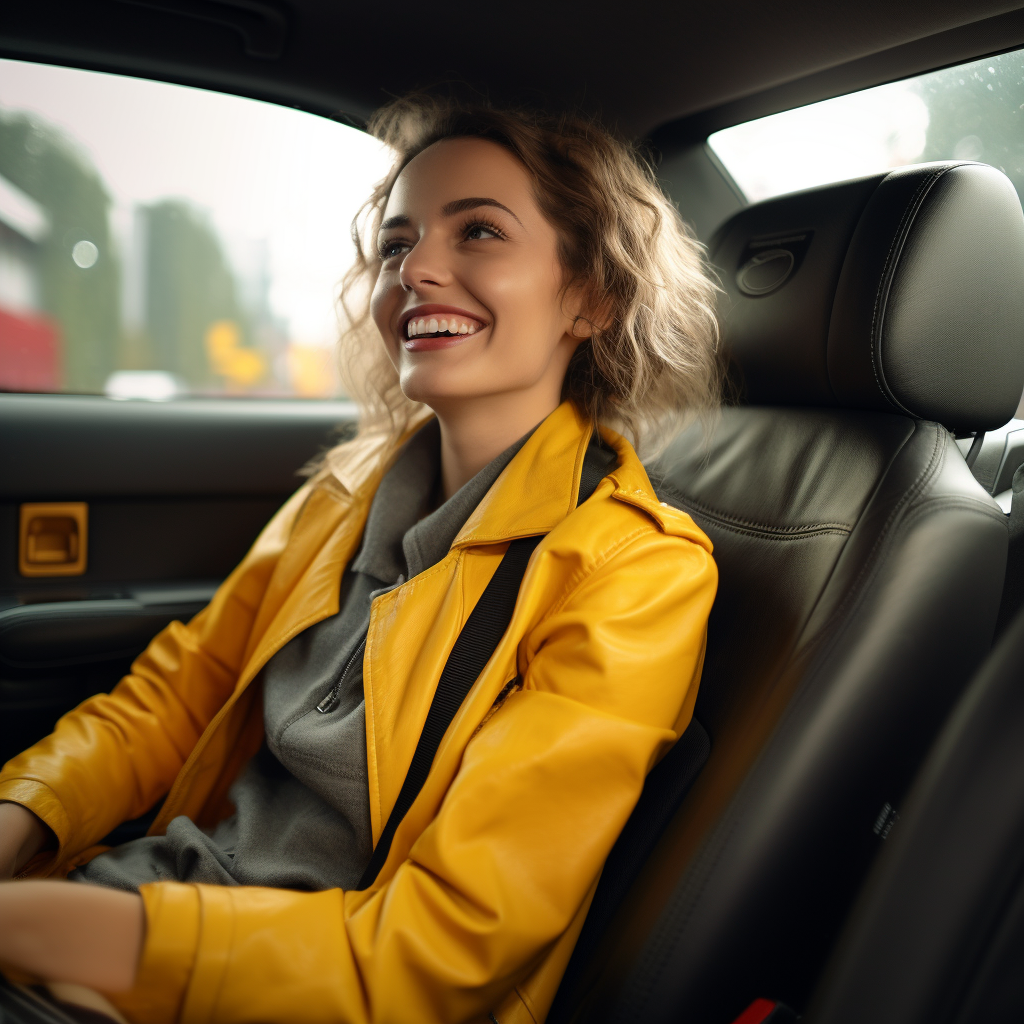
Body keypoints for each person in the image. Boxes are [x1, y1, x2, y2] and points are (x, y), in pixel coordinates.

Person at [0, 97, 721, 1024]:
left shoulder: (633, 574)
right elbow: (179, 695)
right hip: (147, 900)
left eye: (480, 232)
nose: (417, 270)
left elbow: (437, 952)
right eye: (396, 243)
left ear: (591, 295)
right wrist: (24, 812)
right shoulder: (347, 487)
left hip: (272, 984)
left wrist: (59, 932)